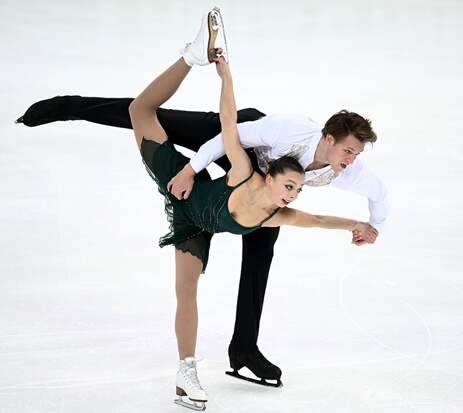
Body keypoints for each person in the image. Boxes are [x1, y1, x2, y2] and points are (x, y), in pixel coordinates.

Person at [16, 6, 388, 398]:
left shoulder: (347, 171)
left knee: (262, 248)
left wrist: (370, 227)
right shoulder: (287, 129)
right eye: (348, 150)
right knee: (156, 117)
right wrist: (191, 170)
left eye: (356, 154)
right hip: (240, 142)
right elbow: (230, 133)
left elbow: (377, 196)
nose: (352, 160)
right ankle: (69, 106)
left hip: (265, 188)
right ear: (328, 139)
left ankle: (244, 349)